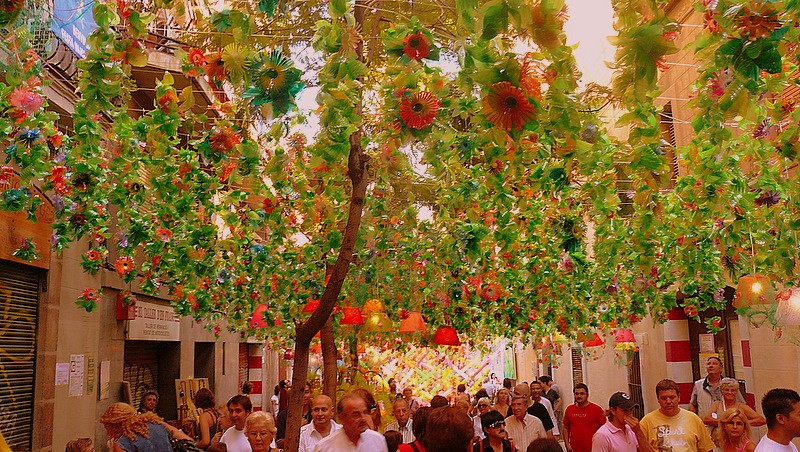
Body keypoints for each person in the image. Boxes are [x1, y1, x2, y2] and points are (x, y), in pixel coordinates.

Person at [639, 379, 715, 452]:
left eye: (672, 397)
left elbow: (707, 448)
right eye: (664, 398)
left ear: (679, 397)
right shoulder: (647, 422)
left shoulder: (694, 419)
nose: (668, 401)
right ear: (658, 399)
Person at [99, 402, 191, 452]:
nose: (107, 432)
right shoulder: (158, 424)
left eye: (107, 427)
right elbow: (187, 440)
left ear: (115, 425)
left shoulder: (122, 444)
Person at [314, 393, 388, 451]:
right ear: (341, 417)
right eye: (356, 415)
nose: (363, 419)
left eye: (365, 413)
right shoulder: (325, 447)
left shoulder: (377, 440)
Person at [562, 384, 606, 452]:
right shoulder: (569, 409)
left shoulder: (596, 409)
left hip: (593, 449)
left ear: (587, 395)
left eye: (582, 394)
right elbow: (566, 427)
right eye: (576, 394)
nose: (579, 396)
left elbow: (604, 429)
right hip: (574, 449)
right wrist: (567, 444)